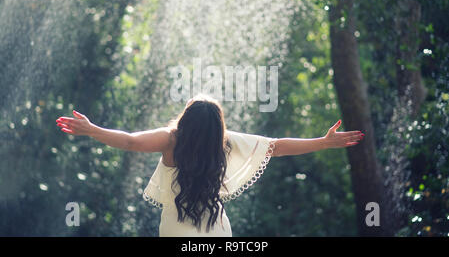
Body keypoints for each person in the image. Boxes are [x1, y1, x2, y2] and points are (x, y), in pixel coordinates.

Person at [55, 94, 364, 236]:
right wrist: (322, 142)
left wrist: (93, 129)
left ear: (185, 118)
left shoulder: (170, 139)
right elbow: (278, 146)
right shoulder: (225, 142)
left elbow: (131, 142)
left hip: (176, 228)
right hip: (216, 228)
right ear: (218, 125)